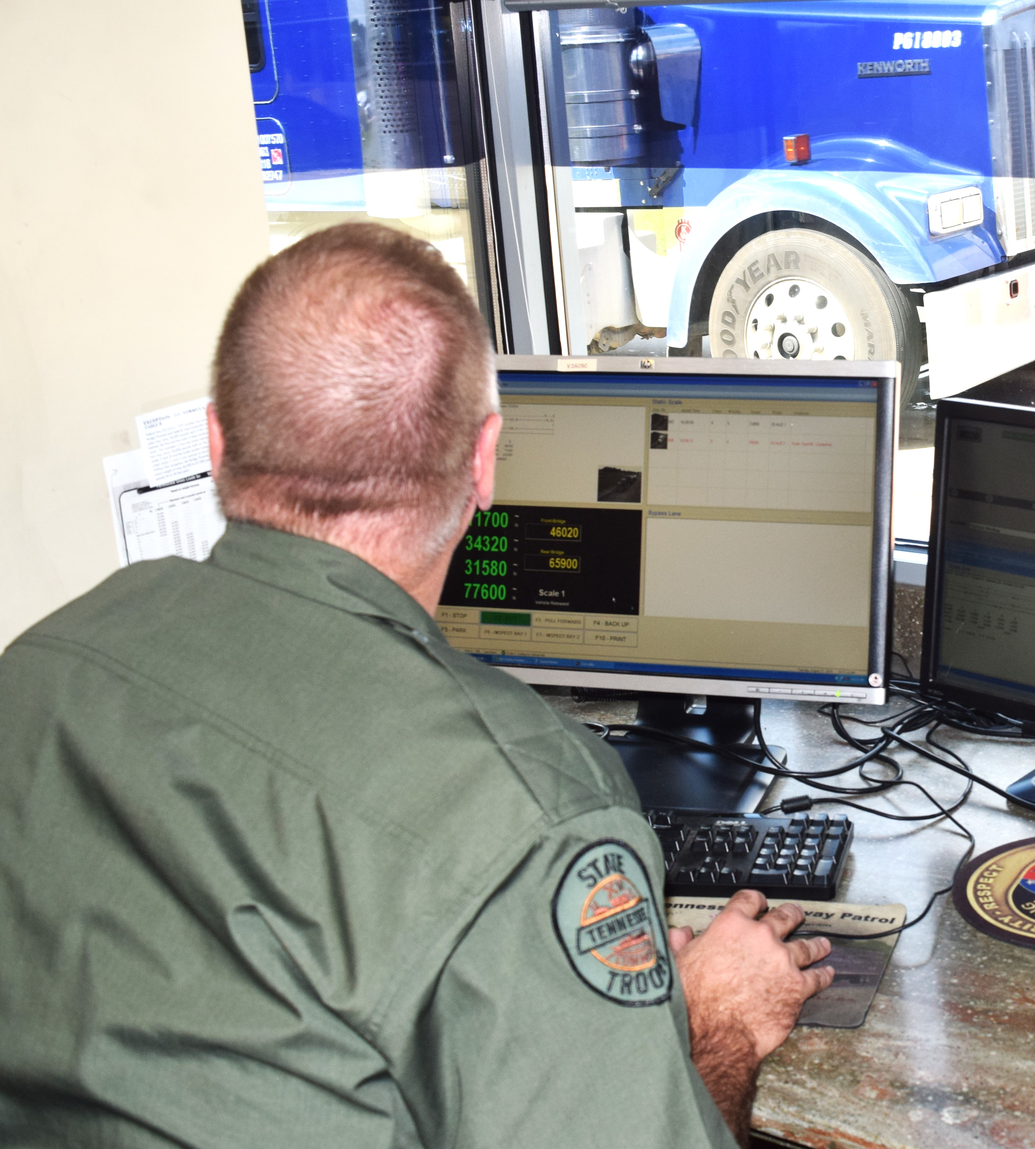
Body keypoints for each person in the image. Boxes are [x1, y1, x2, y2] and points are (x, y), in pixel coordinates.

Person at [0, 223, 832, 1147]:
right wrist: (718, 1026)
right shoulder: (531, 810)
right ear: (485, 463)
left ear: (216, 438)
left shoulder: (42, 667)